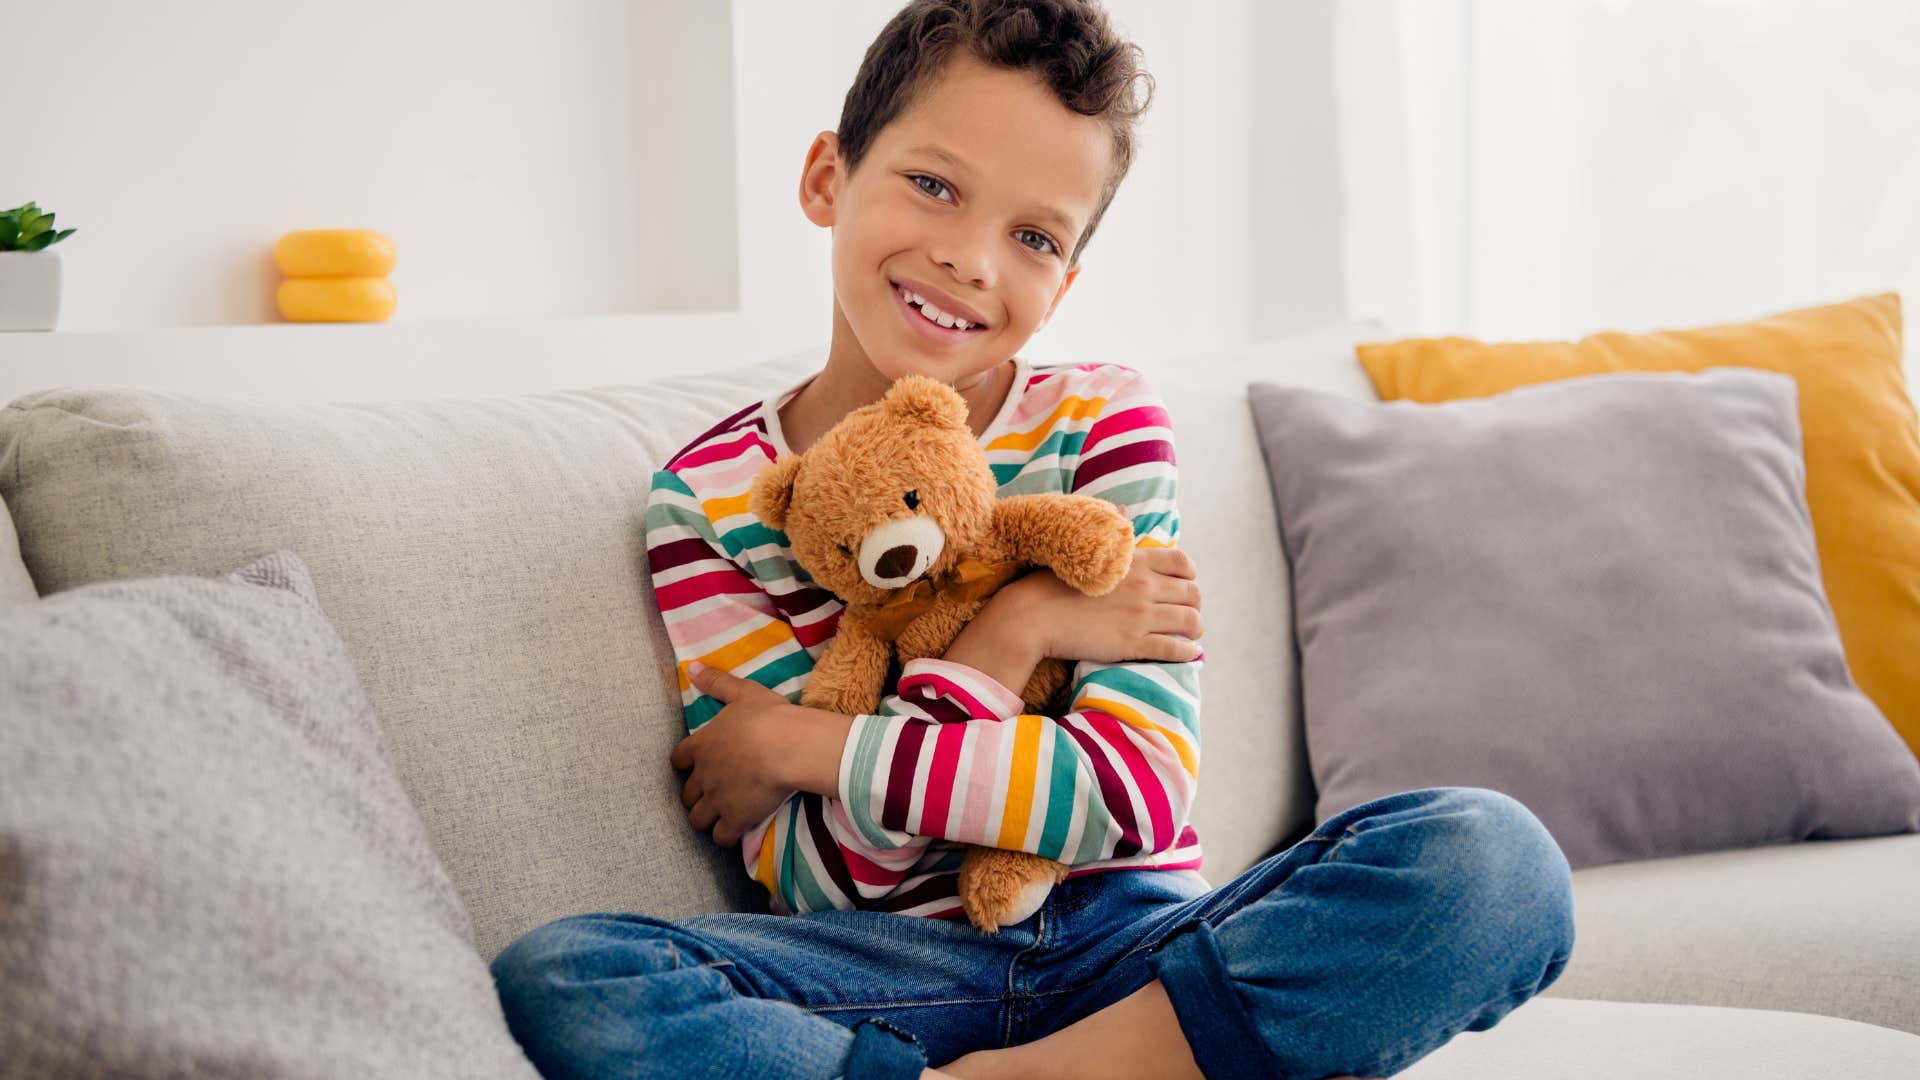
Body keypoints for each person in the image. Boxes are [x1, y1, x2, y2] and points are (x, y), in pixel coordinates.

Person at [489, 2, 1575, 1077]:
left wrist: (808, 749)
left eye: (1034, 237)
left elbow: (1132, 792)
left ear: (1065, 285)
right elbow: (828, 881)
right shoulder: (712, 498)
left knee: (1492, 862)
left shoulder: (1103, 422)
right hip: (892, 966)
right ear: (828, 177)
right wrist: (1008, 639)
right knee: (572, 976)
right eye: (933, 184)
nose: (969, 260)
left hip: (1135, 943)